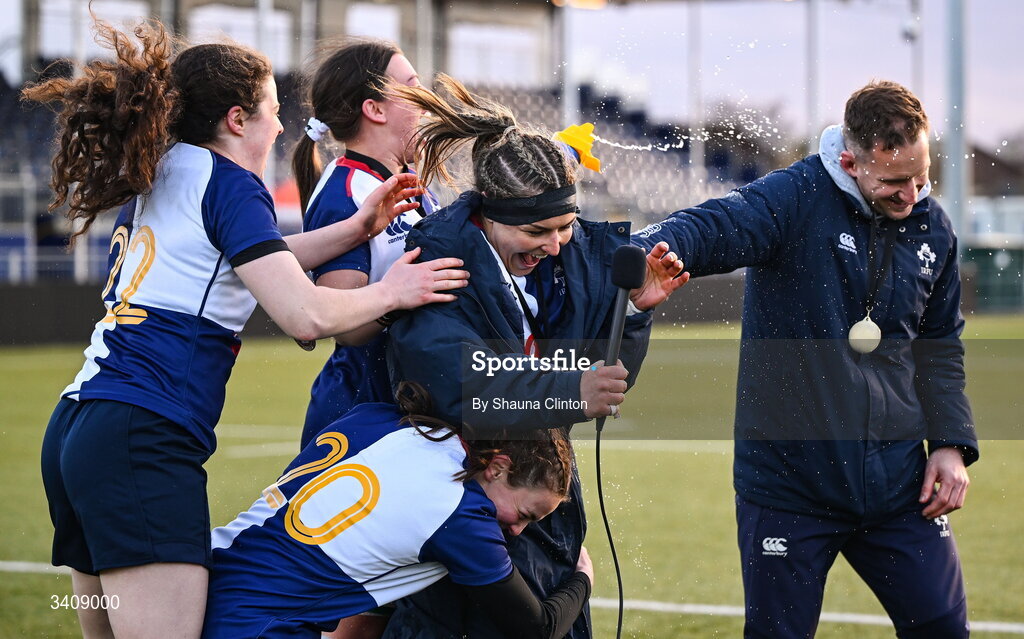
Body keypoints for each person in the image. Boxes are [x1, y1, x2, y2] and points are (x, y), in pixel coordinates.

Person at [27, 20, 467, 638]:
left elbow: (254, 257)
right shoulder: (231, 183)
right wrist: (394, 290)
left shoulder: (165, 171)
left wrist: (353, 230)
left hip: (80, 429)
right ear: (237, 119)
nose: (282, 125)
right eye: (270, 109)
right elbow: (305, 316)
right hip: (141, 434)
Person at [633, 80, 977, 638]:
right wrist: (657, 248)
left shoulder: (932, 226)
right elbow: (719, 223)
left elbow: (939, 348)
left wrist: (950, 444)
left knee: (942, 625)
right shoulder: (794, 197)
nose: (911, 195)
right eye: (893, 181)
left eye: (921, 177)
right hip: (791, 487)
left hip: (897, 484)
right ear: (849, 160)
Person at [380, 75, 688, 639]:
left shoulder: (570, 264)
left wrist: (635, 315)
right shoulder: (437, 264)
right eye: (536, 230)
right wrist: (572, 389)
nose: (553, 245)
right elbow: (461, 384)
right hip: (469, 493)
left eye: (566, 227)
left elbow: (606, 381)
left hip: (542, 496)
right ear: (488, 215)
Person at [202, 382, 592, 639]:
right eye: (524, 513)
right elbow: (537, 629)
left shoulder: (381, 417)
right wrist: (582, 581)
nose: (518, 532)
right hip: (257, 626)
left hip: (201, 581)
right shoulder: (460, 517)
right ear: (498, 466)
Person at [291, 38, 440, 448]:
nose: (426, 97)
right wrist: (399, 295)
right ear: (374, 109)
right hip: (362, 408)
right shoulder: (346, 191)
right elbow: (346, 325)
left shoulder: (409, 183)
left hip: (410, 400)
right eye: (411, 85)